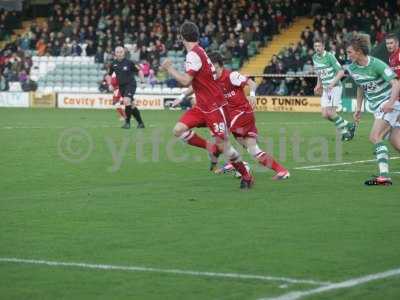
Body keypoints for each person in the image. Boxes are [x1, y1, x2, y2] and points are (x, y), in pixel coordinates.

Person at [161, 21, 253, 189]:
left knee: (225, 146)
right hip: (202, 106)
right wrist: (183, 96)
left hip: (215, 107)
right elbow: (197, 82)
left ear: (182, 38)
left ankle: (246, 174)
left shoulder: (193, 55)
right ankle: (211, 148)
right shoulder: (200, 51)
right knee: (178, 130)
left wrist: (169, 68)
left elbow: (186, 80)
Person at [173, 52, 290, 180]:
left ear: (221, 66)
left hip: (242, 113)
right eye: (210, 68)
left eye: (215, 68)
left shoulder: (232, 76)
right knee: (253, 150)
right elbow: (194, 88)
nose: (212, 71)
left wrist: (252, 94)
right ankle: (281, 171)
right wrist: (181, 97)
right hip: (229, 115)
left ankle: (233, 162)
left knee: (221, 135)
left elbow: (252, 83)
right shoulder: (211, 78)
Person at [347, 33, 400, 186]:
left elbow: (396, 83)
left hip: (389, 105)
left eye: (350, 52)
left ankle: (384, 176)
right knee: (396, 142)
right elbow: (361, 87)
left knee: (375, 136)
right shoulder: (352, 68)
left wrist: (390, 103)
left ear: (358, 51)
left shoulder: (377, 64)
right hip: (380, 107)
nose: (347, 55)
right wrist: (358, 108)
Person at [312, 38, 356, 141]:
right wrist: (318, 85)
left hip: (335, 87)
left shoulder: (330, 56)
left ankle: (345, 133)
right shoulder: (314, 57)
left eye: (319, 46)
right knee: (325, 115)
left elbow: (341, 72)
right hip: (326, 89)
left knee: (331, 113)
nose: (317, 48)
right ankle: (349, 125)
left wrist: (332, 84)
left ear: (323, 46)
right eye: (315, 46)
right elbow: (319, 72)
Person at [109, 46, 145, 129]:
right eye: (117, 52)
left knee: (126, 101)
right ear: (115, 53)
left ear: (124, 53)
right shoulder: (113, 64)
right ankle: (140, 123)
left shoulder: (129, 62)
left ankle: (127, 123)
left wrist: (142, 82)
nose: (119, 54)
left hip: (130, 84)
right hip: (122, 87)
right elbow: (110, 74)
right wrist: (111, 84)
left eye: (121, 52)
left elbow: (139, 71)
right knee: (131, 105)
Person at [385, 33, 400, 151]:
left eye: (391, 43)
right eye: (387, 43)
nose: (389, 45)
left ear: (397, 43)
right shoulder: (391, 58)